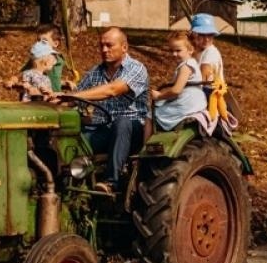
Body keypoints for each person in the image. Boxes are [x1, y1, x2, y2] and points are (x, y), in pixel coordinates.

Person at [48, 27, 149, 191]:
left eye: (109, 45)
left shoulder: (136, 69)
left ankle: (111, 183)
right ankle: (61, 185)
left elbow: (113, 90)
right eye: (101, 46)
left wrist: (76, 97)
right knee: (69, 142)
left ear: (124, 47)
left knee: (122, 123)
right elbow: (76, 98)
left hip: (133, 130)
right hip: (102, 129)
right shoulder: (96, 72)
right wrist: (54, 102)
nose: (104, 50)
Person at [152, 31, 207, 130]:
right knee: (160, 104)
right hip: (195, 103)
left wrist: (159, 96)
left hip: (186, 106)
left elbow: (176, 91)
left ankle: (146, 144)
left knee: (150, 115)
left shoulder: (186, 66)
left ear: (190, 50)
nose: (174, 54)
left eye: (178, 50)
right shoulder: (192, 63)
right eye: (172, 50)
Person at [188, 12, 232, 121]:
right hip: (198, 90)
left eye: (210, 35)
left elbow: (202, 79)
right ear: (194, 35)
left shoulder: (210, 53)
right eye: (202, 35)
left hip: (209, 94)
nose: (206, 39)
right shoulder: (196, 51)